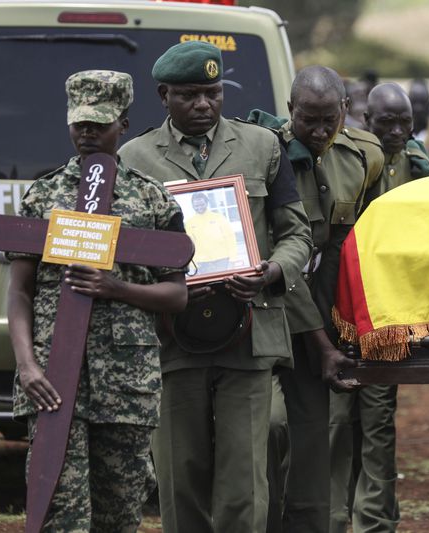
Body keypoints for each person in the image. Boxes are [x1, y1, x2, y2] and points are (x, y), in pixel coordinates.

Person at [118, 41, 312, 533]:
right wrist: (168, 280)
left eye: (213, 92)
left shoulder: (263, 146)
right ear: (163, 95)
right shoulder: (134, 157)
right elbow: (122, 250)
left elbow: (296, 234)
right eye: (189, 95)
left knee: (244, 477)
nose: (204, 104)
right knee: (180, 474)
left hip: (248, 334)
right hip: (171, 337)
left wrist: (270, 271)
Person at [7, 70, 188, 531]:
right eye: (79, 124)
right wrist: (26, 366)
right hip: (52, 378)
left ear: (123, 124)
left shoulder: (152, 199)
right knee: (57, 512)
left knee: (118, 515)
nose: (87, 133)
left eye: (99, 124)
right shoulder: (44, 196)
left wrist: (117, 289)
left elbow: (176, 295)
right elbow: (20, 290)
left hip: (126, 384)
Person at [249, 65, 384, 533]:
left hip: (322, 314)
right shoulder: (266, 154)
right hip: (268, 309)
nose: (322, 131)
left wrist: (344, 328)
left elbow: (356, 245)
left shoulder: (364, 156)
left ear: (346, 110)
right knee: (267, 427)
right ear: (290, 112)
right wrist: (320, 338)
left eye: (331, 119)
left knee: (313, 436)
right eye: (310, 120)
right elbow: (278, 252)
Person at [328, 82, 429, 533]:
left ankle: (374, 520)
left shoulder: (420, 167)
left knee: (378, 421)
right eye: (385, 121)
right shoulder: (350, 162)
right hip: (342, 309)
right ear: (365, 120)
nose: (395, 131)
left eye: (403, 122)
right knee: (337, 422)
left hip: (390, 314)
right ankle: (335, 516)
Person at [185, 191, 237, 274]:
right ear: (192, 205)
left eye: (202, 204)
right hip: (202, 262)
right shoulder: (189, 223)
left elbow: (230, 237)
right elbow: (189, 244)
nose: (199, 207)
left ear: (207, 203)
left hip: (223, 258)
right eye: (196, 206)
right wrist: (192, 263)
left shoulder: (218, 217)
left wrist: (233, 258)